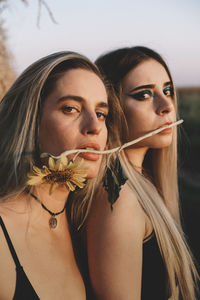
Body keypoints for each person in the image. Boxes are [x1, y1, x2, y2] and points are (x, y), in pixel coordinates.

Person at [0, 51, 123, 299]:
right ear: (30, 120)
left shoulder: (92, 225)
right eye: (71, 108)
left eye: (101, 113)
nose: (95, 126)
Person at [86, 46, 199, 300]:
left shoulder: (141, 180)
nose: (166, 105)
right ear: (110, 108)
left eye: (167, 90)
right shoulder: (118, 201)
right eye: (144, 94)